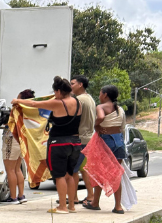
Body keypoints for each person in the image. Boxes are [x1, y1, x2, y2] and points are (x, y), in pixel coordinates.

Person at [12, 76, 82, 214]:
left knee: (59, 175)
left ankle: (62, 206)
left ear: (59, 91)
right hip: (75, 142)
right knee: (70, 174)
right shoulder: (77, 102)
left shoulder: (58, 103)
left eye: (55, 92)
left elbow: (34, 105)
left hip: (59, 143)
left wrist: (17, 101)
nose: (54, 94)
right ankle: (72, 206)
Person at [86, 85, 126, 214]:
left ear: (105, 95)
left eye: (100, 93)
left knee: (98, 172)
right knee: (116, 174)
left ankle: (95, 202)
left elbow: (101, 117)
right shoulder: (120, 109)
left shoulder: (101, 107)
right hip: (119, 142)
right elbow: (122, 127)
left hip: (105, 141)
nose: (99, 96)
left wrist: (95, 125)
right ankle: (118, 206)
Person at [1, 89, 35, 204]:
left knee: (10, 169)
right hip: (21, 140)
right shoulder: (29, 111)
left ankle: (13, 197)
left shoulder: (17, 109)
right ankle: (21, 195)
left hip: (11, 139)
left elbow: (10, 123)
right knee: (17, 169)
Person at [71, 75, 96, 205]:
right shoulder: (89, 98)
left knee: (73, 169)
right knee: (84, 168)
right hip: (89, 138)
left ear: (80, 84)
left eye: (72, 84)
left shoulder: (78, 100)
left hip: (80, 138)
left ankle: (73, 197)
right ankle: (90, 195)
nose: (71, 86)